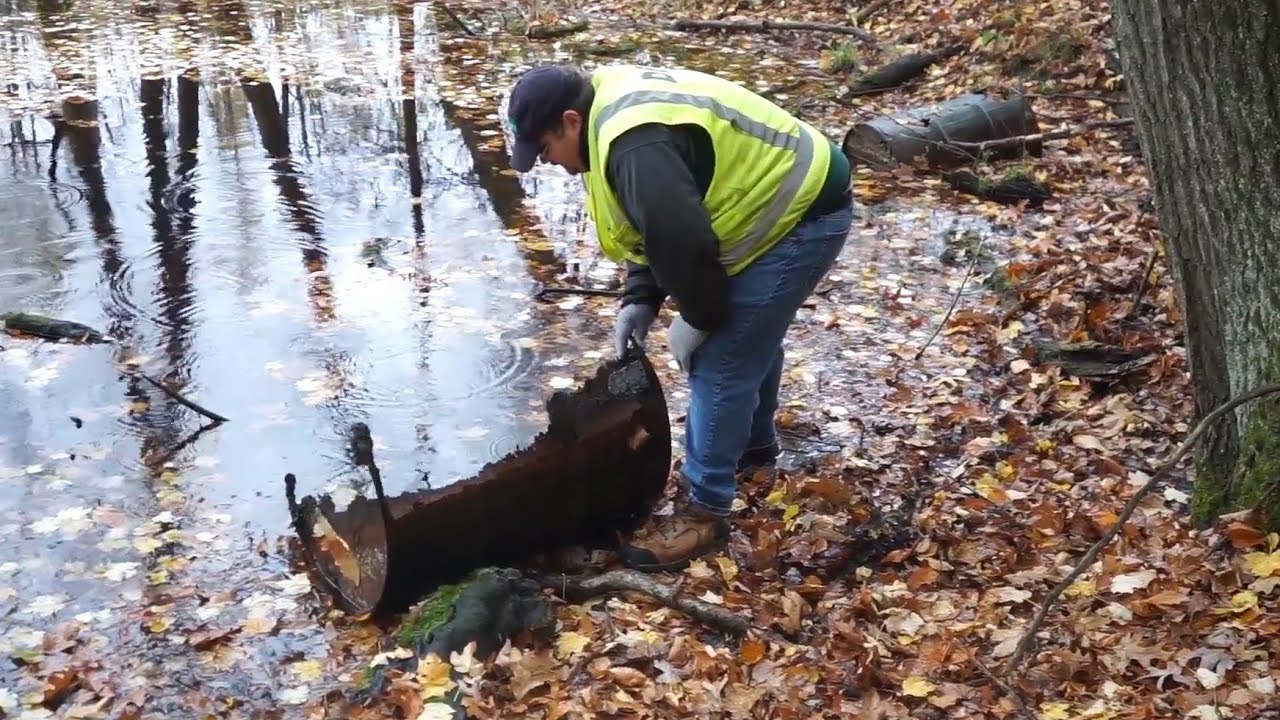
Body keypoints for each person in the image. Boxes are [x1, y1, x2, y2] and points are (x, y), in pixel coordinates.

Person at [504, 62, 853, 571]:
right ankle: (755, 450)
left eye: (546, 149)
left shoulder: (634, 145)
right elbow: (647, 221)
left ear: (571, 122)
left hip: (804, 210)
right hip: (770, 202)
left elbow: (682, 243)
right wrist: (640, 296)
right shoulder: (604, 119)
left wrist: (699, 317)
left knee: (722, 357)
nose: (550, 163)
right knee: (751, 334)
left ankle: (705, 509)